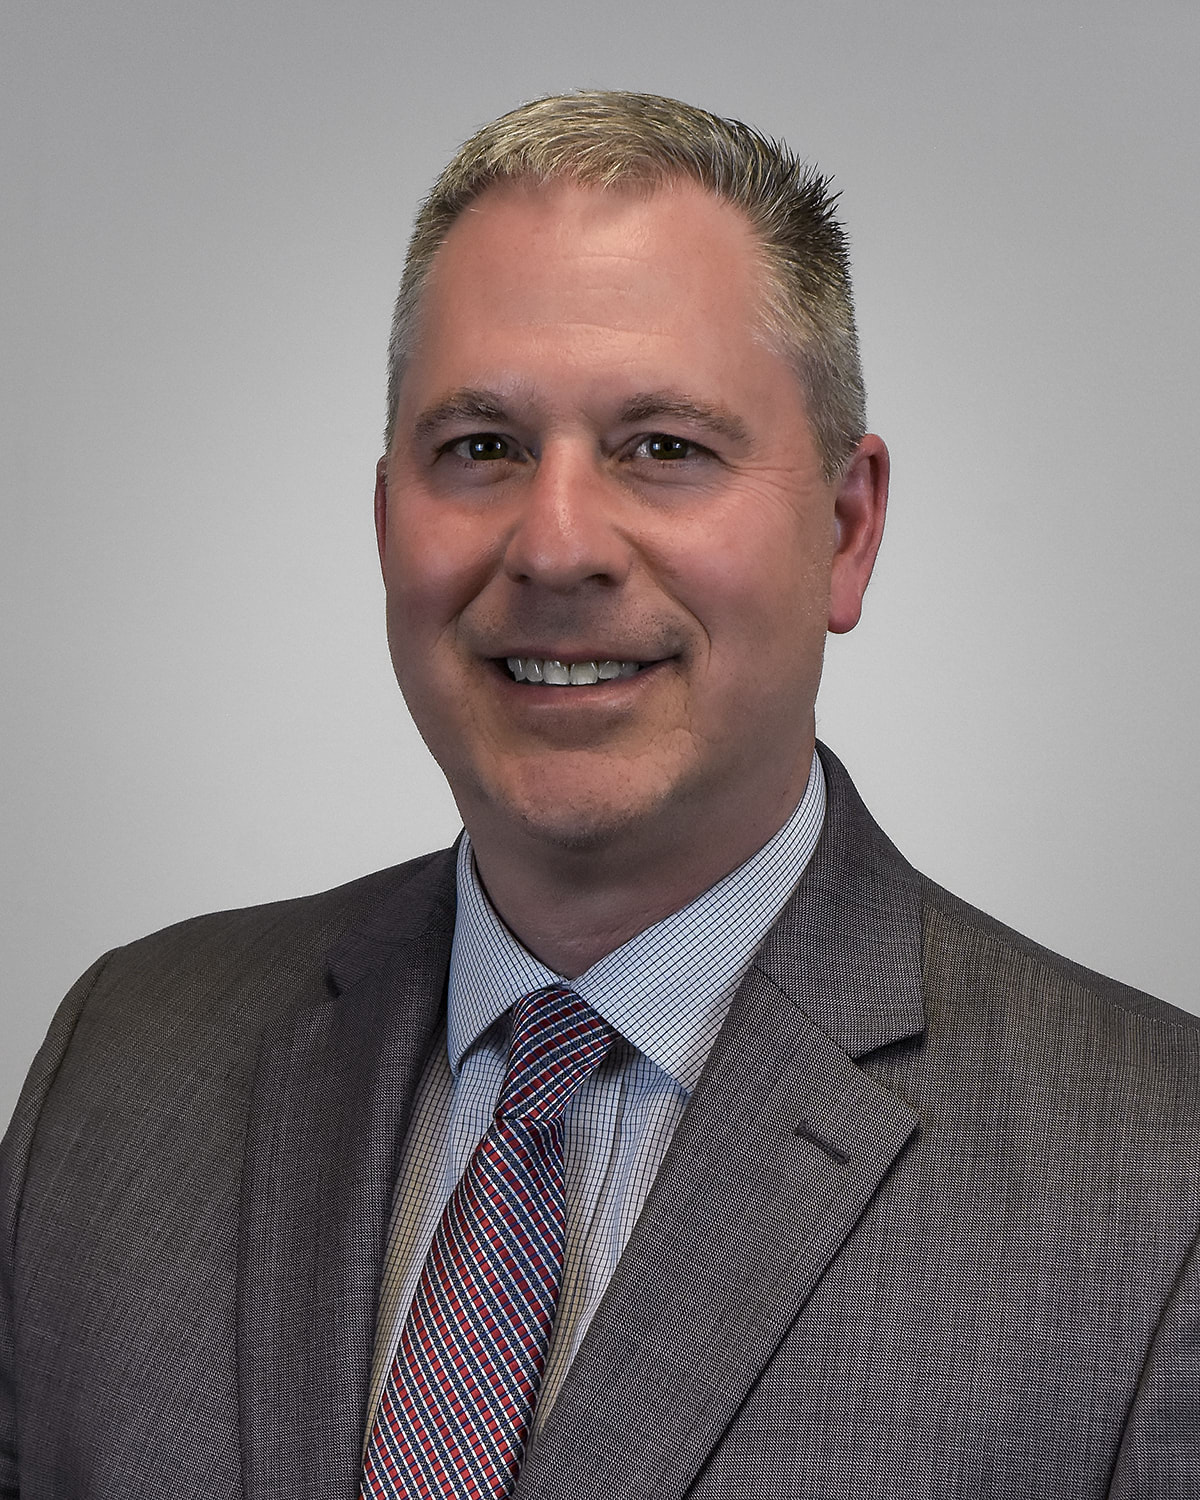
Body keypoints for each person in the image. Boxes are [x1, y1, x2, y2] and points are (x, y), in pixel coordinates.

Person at [2, 90, 1197, 1500]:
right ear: (385, 521)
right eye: (482, 448)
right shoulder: (124, 1066)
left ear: (846, 528)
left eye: (664, 448)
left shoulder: (1159, 1183)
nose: (556, 543)